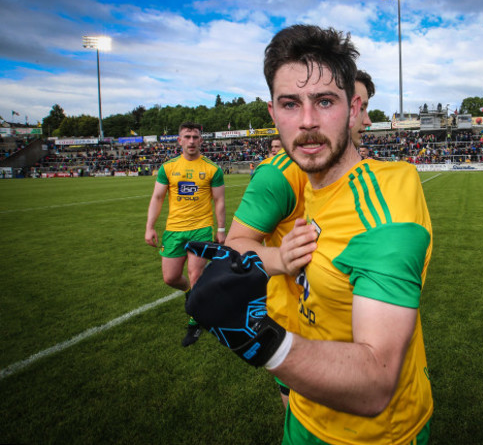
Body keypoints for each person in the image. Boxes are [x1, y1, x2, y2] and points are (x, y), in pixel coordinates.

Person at [187, 25, 433, 443]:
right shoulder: (305, 180)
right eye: (290, 103)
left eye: (324, 101)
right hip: (303, 412)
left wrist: (262, 340)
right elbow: (246, 244)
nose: (306, 122)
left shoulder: (386, 209)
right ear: (272, 114)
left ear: (353, 109)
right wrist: (278, 260)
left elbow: (377, 381)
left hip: (372, 436)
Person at [223, 70, 376, 409]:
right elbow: (234, 246)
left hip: (353, 320)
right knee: (307, 419)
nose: (365, 119)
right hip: (299, 329)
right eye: (360, 108)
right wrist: (281, 258)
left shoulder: (364, 174)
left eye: (364, 107)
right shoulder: (280, 175)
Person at [145, 121, 226, 347]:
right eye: (187, 137)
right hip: (174, 230)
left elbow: (219, 200)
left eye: (195, 137)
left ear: (201, 140)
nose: (191, 141)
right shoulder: (168, 167)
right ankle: (192, 293)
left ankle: (195, 323)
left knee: (195, 274)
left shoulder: (212, 168)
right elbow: (158, 198)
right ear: (179, 140)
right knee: (170, 277)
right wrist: (150, 226)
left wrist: (220, 229)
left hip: (201, 228)